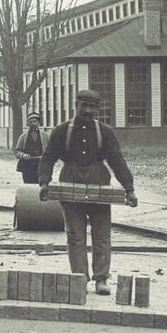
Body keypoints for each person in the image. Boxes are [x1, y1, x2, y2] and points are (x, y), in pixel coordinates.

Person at [37, 90, 137, 295]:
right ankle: (79, 278)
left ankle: (101, 279)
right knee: (75, 235)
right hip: (69, 184)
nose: (88, 110)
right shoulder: (61, 131)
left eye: (92, 107)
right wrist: (44, 182)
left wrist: (129, 188)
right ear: (76, 105)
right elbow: (47, 158)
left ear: (98, 109)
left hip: (99, 185)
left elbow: (117, 160)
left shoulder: (105, 132)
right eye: (84, 105)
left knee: (101, 235)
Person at [14, 113, 50, 184]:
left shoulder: (46, 136)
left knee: (41, 184)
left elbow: (51, 150)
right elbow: (17, 151)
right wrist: (23, 155)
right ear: (28, 123)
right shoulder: (23, 137)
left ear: (38, 123)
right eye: (31, 122)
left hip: (41, 165)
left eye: (35, 121)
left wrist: (46, 157)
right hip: (27, 166)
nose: (33, 123)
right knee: (28, 185)